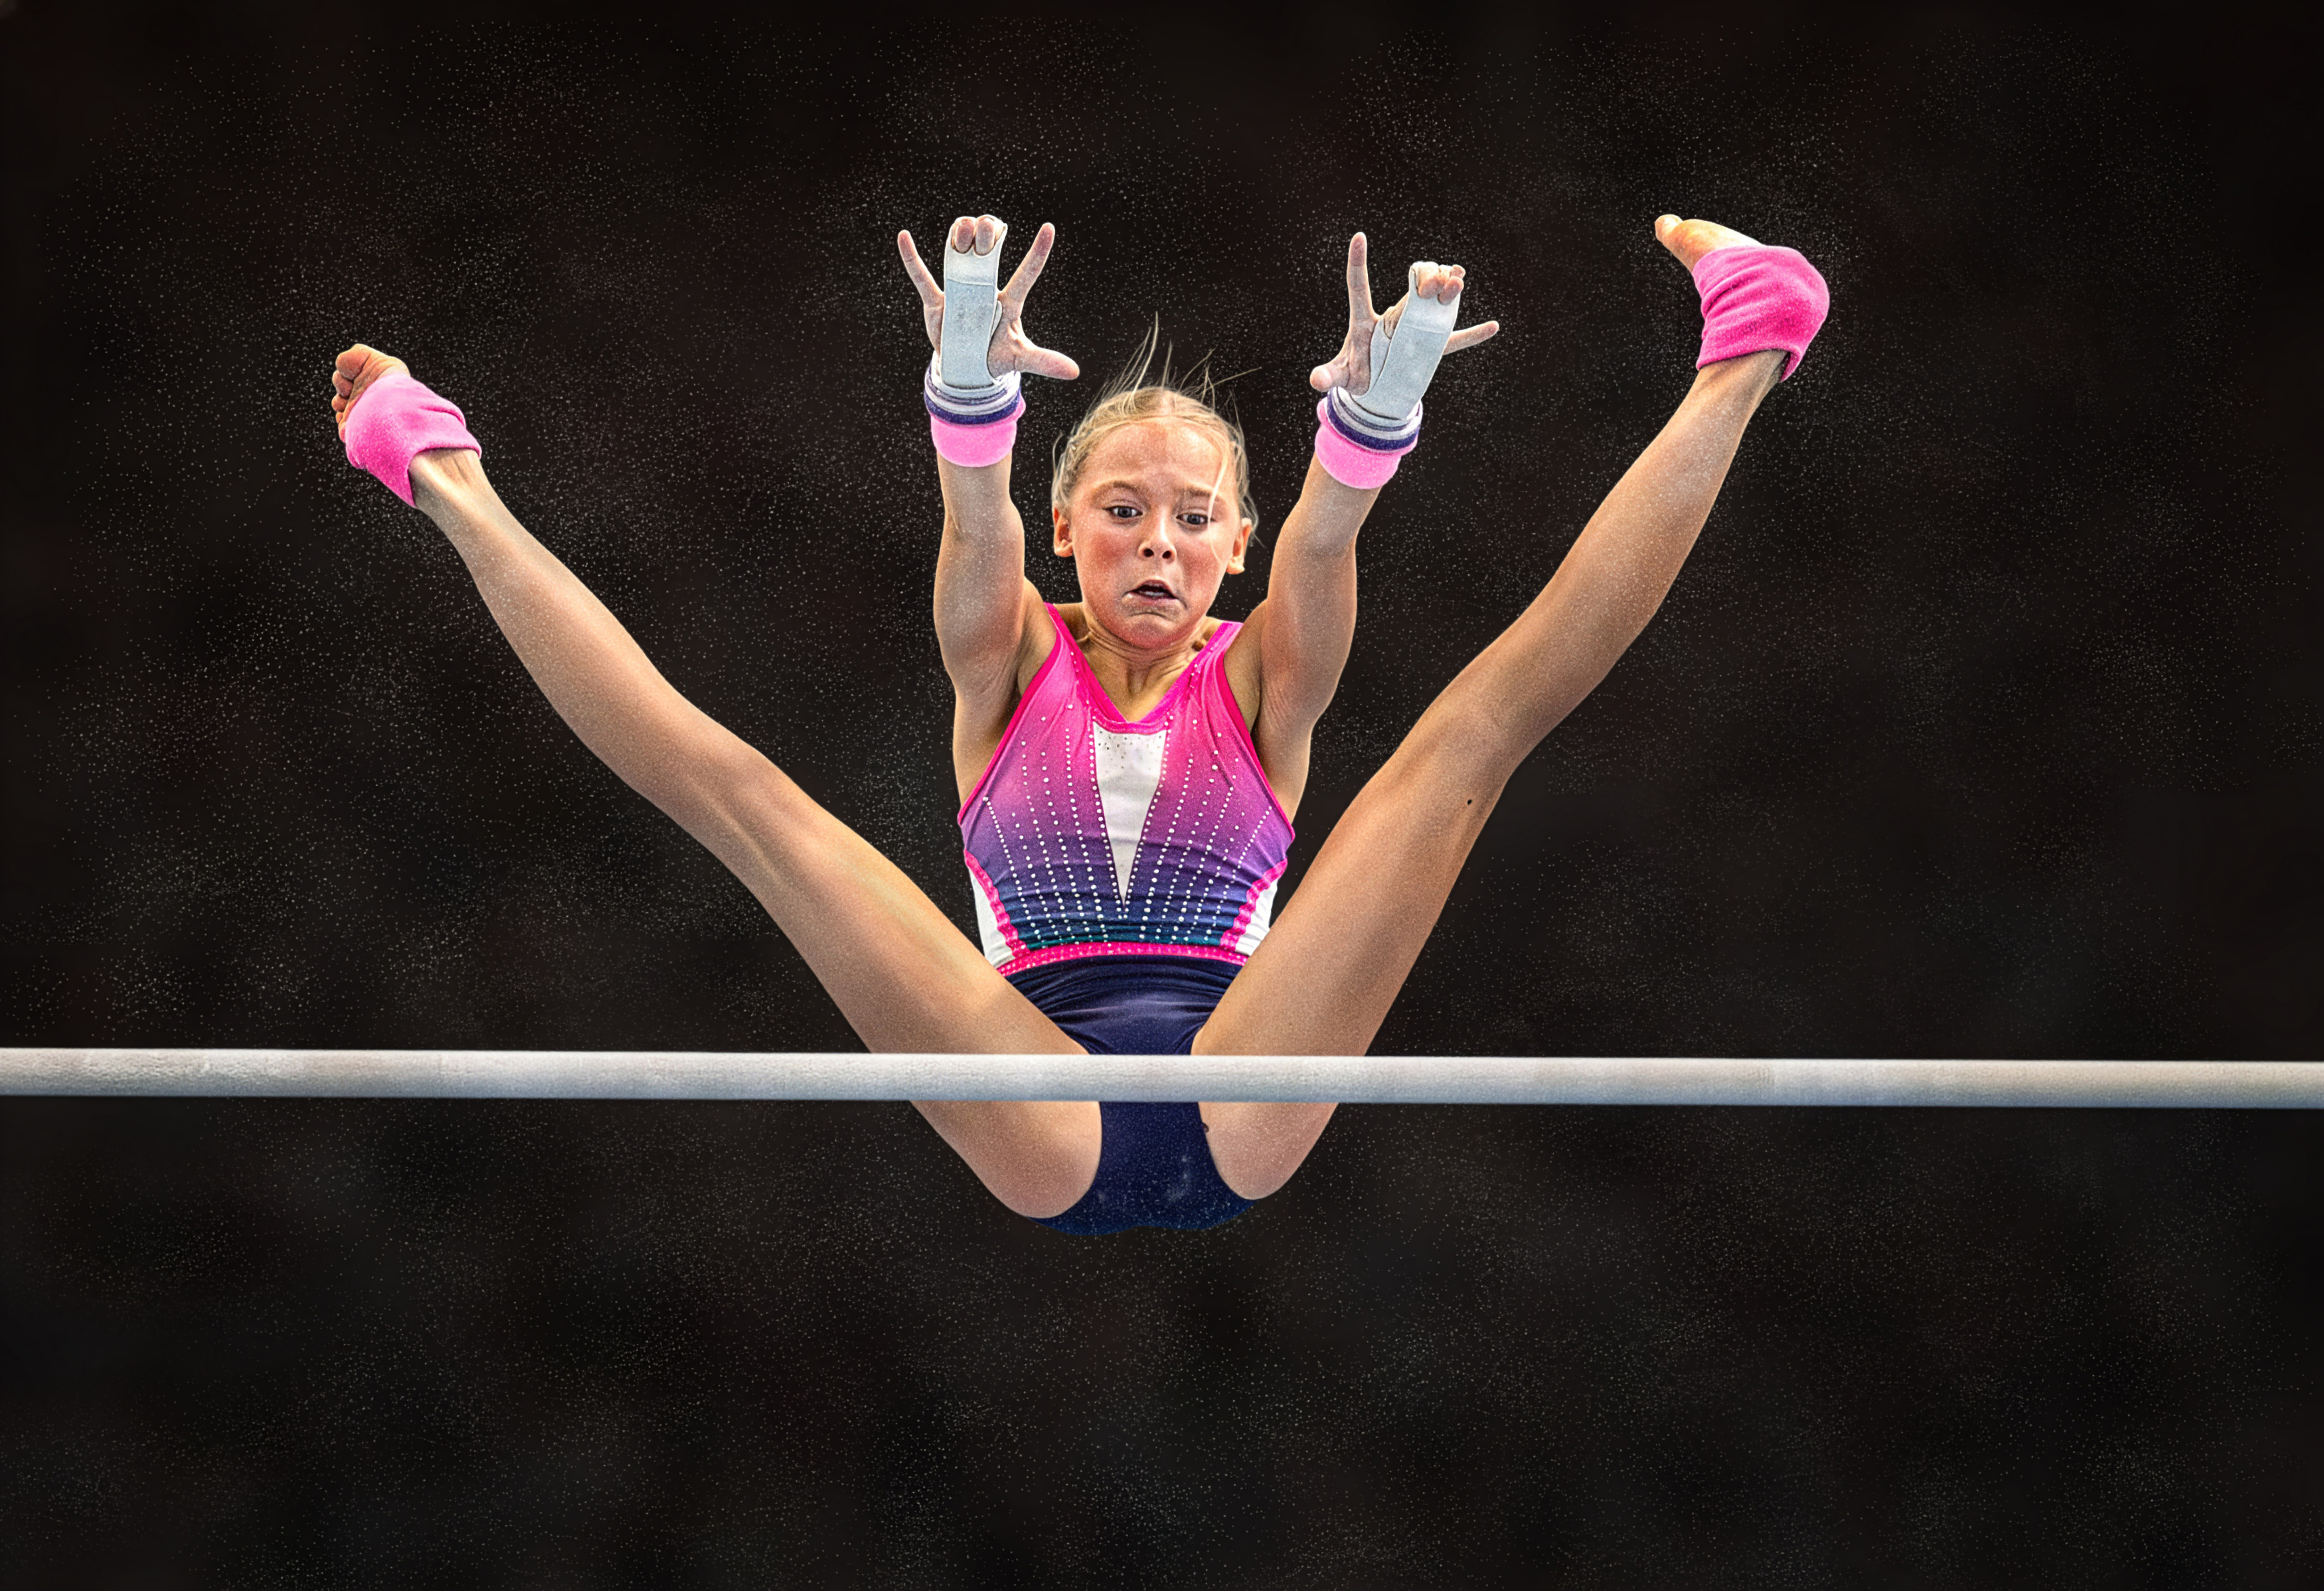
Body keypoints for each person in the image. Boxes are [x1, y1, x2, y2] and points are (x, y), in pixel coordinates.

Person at [327, 210, 1827, 1234]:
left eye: (1195, 518)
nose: (1159, 541)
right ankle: (444, 477)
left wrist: (1368, 434)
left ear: (1234, 544)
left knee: (1470, 738)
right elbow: (973, 533)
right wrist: (968, 405)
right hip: (1034, 1092)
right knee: (742, 797)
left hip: (1246, 1080)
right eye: (1122, 511)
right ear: (1066, 531)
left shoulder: (1266, 670)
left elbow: (1325, 545)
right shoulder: (1007, 652)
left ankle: (1753, 344)